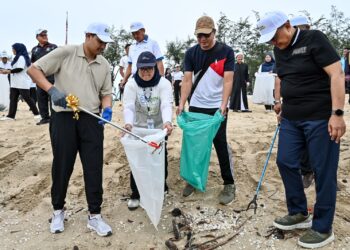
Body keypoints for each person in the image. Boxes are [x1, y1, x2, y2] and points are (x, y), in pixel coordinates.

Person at [258, 11, 346, 248]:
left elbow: (336, 74)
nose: (273, 43)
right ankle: (298, 212)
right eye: (269, 40)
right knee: (285, 161)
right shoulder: (278, 49)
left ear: (287, 26)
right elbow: (286, 79)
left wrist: (337, 114)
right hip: (291, 118)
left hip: (320, 117)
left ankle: (323, 227)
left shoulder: (315, 39)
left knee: (323, 170)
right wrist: (281, 104)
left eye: (275, 37)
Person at [27, 22, 114, 237]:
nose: (103, 46)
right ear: (88, 36)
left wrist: (107, 108)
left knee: (94, 166)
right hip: (63, 118)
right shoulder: (65, 52)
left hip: (91, 119)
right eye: (100, 41)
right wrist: (52, 90)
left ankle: (95, 215)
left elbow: (106, 93)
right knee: (62, 165)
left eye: (105, 43)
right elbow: (33, 69)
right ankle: (58, 211)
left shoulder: (104, 64)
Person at [177, 16, 235, 205]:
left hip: (217, 107)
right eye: (199, 35)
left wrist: (224, 105)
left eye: (206, 35)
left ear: (214, 33)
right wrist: (181, 103)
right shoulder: (191, 53)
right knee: (194, 146)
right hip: (196, 105)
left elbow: (228, 80)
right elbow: (187, 80)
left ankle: (229, 183)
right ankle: (192, 181)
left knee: (220, 143)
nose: (202, 39)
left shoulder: (226, 51)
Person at [122, 51, 173, 210]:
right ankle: (136, 193)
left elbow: (166, 104)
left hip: (159, 128)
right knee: (137, 160)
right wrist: (128, 124)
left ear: (155, 67)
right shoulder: (131, 84)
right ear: (137, 69)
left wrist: (167, 122)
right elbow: (129, 106)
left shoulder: (164, 83)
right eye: (142, 69)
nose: (146, 73)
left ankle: (160, 188)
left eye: (149, 69)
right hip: (138, 127)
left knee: (159, 157)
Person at [0, 43, 40, 121]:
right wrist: (5, 70)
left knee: (27, 98)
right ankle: (11, 116)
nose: (12, 51)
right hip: (15, 83)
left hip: (22, 82)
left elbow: (20, 68)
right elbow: (13, 68)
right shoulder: (16, 58)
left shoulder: (21, 57)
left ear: (18, 49)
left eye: (13, 49)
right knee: (13, 99)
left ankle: (37, 114)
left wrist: (8, 72)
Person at [120, 22, 164, 89]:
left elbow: (159, 62)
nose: (135, 36)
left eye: (137, 33)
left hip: (150, 78)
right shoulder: (131, 47)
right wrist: (124, 80)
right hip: (136, 80)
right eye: (133, 34)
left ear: (143, 30)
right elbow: (130, 66)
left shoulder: (153, 43)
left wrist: (161, 80)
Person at [31, 29, 57, 125]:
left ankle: (54, 117)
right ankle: (45, 117)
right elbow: (32, 64)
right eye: (42, 35)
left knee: (53, 97)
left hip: (52, 76)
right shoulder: (34, 50)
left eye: (46, 34)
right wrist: (33, 77)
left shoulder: (53, 47)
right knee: (41, 98)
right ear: (37, 37)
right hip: (40, 77)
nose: (45, 36)